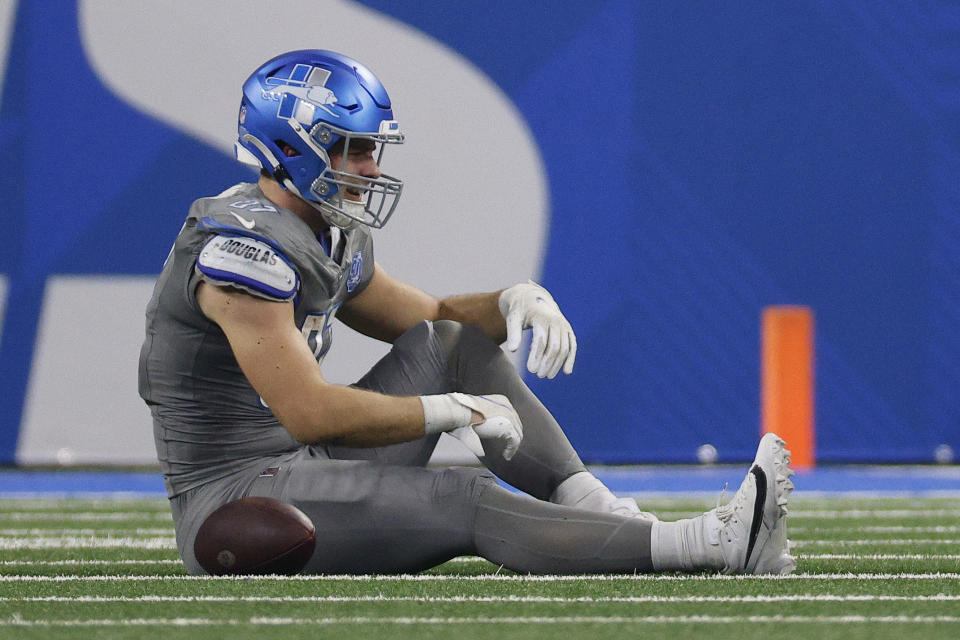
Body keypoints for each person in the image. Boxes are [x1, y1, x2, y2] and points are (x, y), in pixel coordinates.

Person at [138, 49, 796, 576]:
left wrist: (513, 301)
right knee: (466, 497)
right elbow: (307, 409)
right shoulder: (242, 250)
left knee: (451, 342)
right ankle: (703, 547)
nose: (370, 167)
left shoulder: (323, 231)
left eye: (373, 148)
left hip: (303, 460)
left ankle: (607, 514)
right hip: (238, 496)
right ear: (291, 146)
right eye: (353, 148)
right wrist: (452, 410)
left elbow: (431, 318)